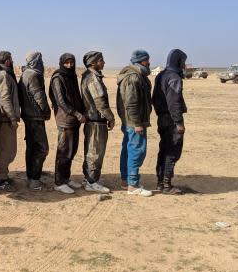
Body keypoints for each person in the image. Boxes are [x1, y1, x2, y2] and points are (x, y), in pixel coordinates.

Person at [117, 49, 153, 197]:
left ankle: (126, 180)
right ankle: (133, 185)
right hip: (134, 122)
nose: (149, 63)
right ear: (141, 61)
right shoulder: (133, 78)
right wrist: (137, 123)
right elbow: (130, 103)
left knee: (128, 149)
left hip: (131, 121)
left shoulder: (137, 76)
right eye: (147, 60)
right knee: (137, 150)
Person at [49, 53, 86, 194]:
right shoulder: (58, 77)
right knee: (63, 151)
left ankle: (66, 178)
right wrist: (77, 113)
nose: (70, 65)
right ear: (61, 63)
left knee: (71, 150)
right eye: (67, 62)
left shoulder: (72, 76)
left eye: (72, 62)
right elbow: (61, 101)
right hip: (65, 120)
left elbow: (77, 96)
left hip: (74, 120)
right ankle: (59, 182)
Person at [153, 49, 188, 195]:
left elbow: (154, 99)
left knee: (164, 150)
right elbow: (174, 102)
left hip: (162, 118)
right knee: (172, 152)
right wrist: (178, 122)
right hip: (171, 120)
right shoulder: (174, 77)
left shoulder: (161, 75)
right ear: (179, 61)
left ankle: (161, 182)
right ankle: (167, 185)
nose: (185, 65)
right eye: (183, 62)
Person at [80, 51, 115, 194]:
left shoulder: (90, 76)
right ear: (93, 63)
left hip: (94, 121)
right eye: (101, 60)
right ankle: (91, 181)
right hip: (95, 122)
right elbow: (100, 101)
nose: (104, 62)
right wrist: (110, 117)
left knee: (91, 151)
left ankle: (89, 178)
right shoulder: (93, 78)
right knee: (95, 152)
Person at [18, 52, 51, 191]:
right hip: (35, 117)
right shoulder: (33, 75)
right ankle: (34, 179)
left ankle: (31, 176)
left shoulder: (25, 74)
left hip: (28, 116)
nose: (42, 63)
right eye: (40, 61)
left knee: (32, 148)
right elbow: (39, 96)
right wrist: (47, 112)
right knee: (42, 148)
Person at [0, 51, 20, 191]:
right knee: (6, 150)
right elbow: (5, 98)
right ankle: (1, 179)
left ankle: (2, 175)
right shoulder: (3, 75)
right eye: (11, 59)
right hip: (4, 119)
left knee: (3, 148)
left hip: (3, 118)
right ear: (8, 61)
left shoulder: (1, 74)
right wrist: (12, 117)